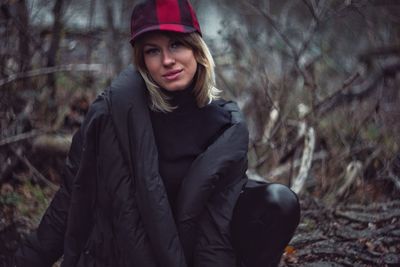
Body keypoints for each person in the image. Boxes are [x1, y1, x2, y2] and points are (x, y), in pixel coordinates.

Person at [15, 0, 300, 266]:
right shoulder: (113, 115)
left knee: (279, 201)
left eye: (177, 45)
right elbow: (69, 199)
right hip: (125, 255)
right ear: (142, 61)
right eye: (153, 50)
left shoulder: (225, 125)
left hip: (192, 255)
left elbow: (219, 221)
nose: (167, 60)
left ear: (197, 49)